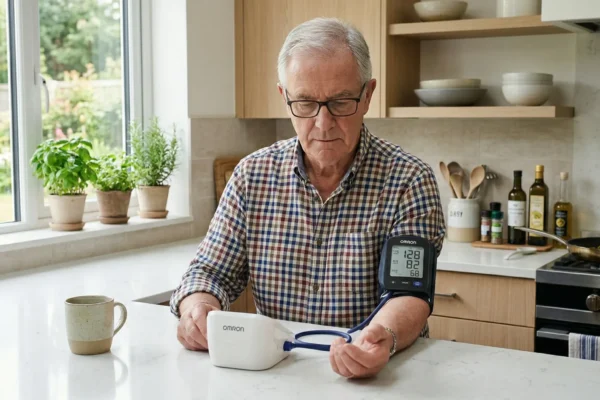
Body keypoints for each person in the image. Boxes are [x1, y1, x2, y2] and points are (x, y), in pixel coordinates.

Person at [170, 17, 445, 379]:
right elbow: (209, 272)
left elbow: (407, 294)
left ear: (367, 95)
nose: (323, 123)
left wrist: (383, 337)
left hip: (377, 376)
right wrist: (197, 307)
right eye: (305, 103)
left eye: (341, 102)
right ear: (284, 97)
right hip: (278, 374)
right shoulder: (253, 176)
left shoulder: (409, 180)